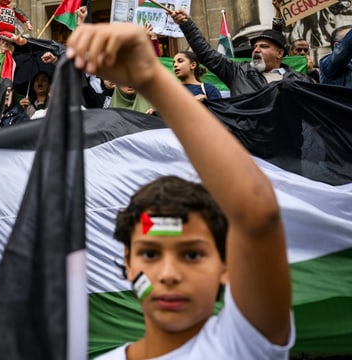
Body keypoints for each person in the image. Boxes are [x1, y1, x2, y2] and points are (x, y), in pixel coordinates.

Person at [66, 22, 293, 359]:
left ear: (225, 266)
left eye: (192, 254)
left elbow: (257, 213)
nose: (169, 275)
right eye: (150, 254)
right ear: (127, 263)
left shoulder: (245, 344)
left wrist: (151, 78)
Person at [171, 9, 310, 96]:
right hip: (247, 139)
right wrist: (187, 25)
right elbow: (206, 54)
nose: (256, 50)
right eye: (255, 46)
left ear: (279, 54)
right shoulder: (238, 72)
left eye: (263, 46)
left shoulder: (300, 81)